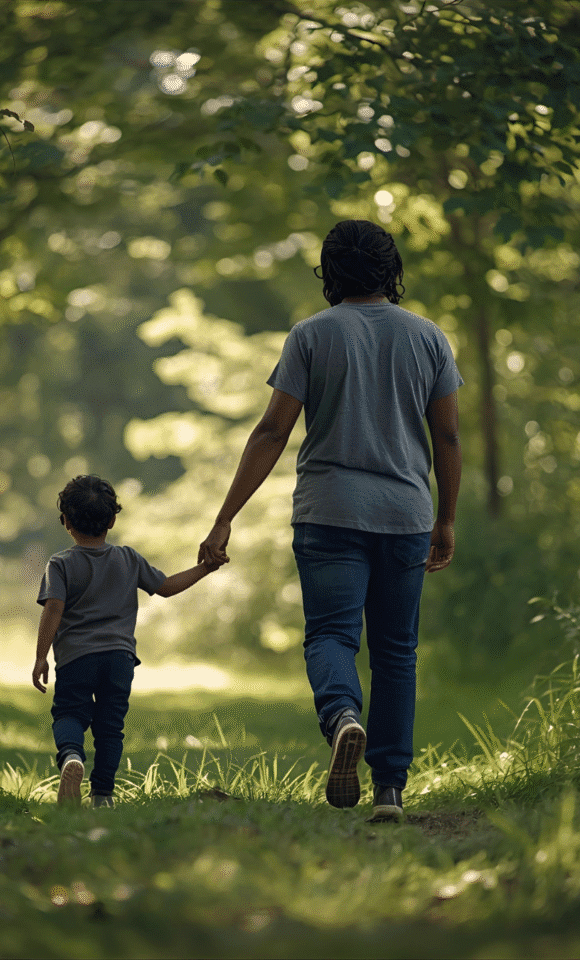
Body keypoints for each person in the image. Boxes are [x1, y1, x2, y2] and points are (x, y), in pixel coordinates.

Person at [199, 219, 463, 822]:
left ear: (331, 270)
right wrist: (445, 519)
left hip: (329, 514)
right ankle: (390, 790)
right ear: (390, 268)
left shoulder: (311, 336)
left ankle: (344, 716)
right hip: (405, 516)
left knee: (330, 637)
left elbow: (272, 431)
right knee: (397, 652)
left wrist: (224, 520)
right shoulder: (428, 338)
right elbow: (446, 436)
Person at [33, 474, 227, 808]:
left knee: (69, 714)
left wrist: (41, 657)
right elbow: (166, 587)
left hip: (76, 658)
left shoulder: (60, 564)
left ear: (66, 521)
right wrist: (205, 569)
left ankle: (71, 758)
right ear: (111, 520)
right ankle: (103, 796)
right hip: (119, 660)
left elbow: (53, 610)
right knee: (110, 728)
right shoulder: (127, 558)